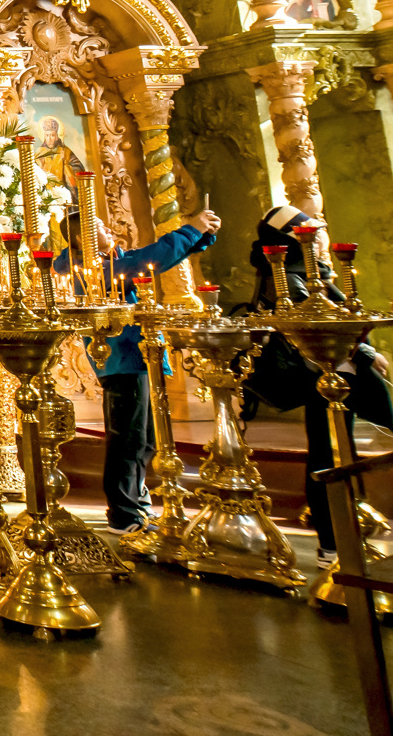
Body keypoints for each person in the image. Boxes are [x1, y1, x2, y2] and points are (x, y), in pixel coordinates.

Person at [240, 205, 393, 561]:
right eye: (311, 231)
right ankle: (333, 543)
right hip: (327, 376)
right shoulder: (290, 278)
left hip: (335, 376)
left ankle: (340, 536)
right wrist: (368, 356)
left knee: (334, 452)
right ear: (295, 238)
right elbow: (321, 330)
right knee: (329, 454)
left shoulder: (301, 273)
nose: (320, 236)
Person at [58, 205, 220, 537]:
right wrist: (191, 230)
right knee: (127, 440)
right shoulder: (89, 268)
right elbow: (143, 261)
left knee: (145, 439)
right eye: (99, 225)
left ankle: (137, 503)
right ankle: (122, 513)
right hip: (120, 359)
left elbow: (149, 261)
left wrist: (199, 238)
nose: (108, 229)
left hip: (138, 355)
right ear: (82, 237)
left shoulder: (110, 261)